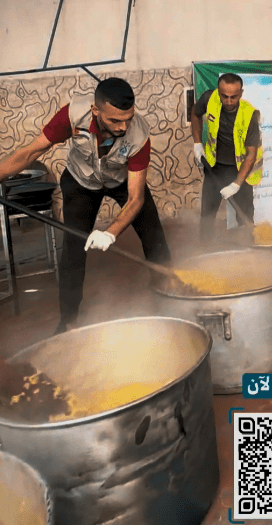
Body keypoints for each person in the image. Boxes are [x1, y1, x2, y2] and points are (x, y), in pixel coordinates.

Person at [0, 77, 170, 334]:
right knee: (73, 249)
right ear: (95, 111)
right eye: (115, 120)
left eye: (128, 118)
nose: (124, 127)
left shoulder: (139, 135)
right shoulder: (72, 115)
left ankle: (168, 297)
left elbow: (136, 198)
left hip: (121, 180)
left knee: (154, 235)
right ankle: (68, 321)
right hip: (81, 181)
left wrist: (110, 233)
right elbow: (30, 153)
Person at [190, 73, 262, 240]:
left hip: (239, 170)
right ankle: (206, 249)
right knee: (207, 216)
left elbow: (251, 154)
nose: (228, 101)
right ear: (218, 91)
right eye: (224, 96)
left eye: (233, 97)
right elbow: (195, 113)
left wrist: (236, 184)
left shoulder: (249, 115)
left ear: (241, 93)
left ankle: (248, 251)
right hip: (214, 167)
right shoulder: (209, 98)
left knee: (245, 219)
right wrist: (197, 143)